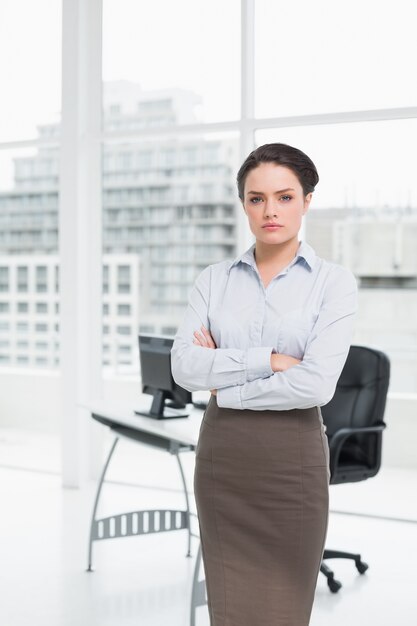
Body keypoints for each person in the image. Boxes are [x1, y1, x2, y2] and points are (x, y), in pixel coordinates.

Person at [170, 142, 358, 626]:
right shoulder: (214, 280)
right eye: (256, 198)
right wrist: (269, 360)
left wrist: (227, 383)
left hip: (290, 464)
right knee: (229, 612)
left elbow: (315, 385)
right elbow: (186, 369)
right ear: (244, 205)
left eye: (285, 196)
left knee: (284, 612)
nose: (270, 210)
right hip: (223, 461)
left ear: (307, 200)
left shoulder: (332, 283)